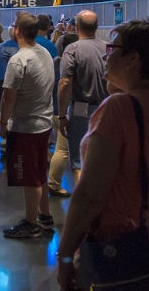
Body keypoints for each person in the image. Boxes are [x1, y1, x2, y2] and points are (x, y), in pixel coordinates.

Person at [55, 18, 149, 290]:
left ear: (133, 58)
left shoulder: (118, 109)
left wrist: (66, 254)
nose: (106, 56)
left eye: (112, 49)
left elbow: (90, 195)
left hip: (126, 250)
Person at [0, 12, 56, 239]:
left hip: (26, 127)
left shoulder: (18, 60)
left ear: (17, 32)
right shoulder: (44, 53)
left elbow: (8, 97)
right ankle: (45, 215)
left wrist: (3, 123)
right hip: (44, 122)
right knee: (39, 171)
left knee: (29, 178)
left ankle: (31, 223)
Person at [55, 11, 108, 193]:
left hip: (80, 110)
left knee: (79, 162)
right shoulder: (109, 48)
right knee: (102, 161)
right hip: (107, 109)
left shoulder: (73, 49)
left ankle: (82, 213)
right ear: (97, 27)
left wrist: (62, 115)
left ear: (76, 27)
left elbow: (64, 83)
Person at [47, 33, 79, 198]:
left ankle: (53, 183)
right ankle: (53, 184)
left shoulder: (53, 62)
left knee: (61, 149)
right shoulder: (71, 65)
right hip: (63, 112)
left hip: (51, 110)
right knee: (63, 151)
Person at [0, 23, 20, 150]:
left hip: (1, 81)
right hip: (16, 81)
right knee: (14, 111)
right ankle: (10, 139)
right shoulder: (22, 47)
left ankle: (5, 139)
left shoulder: (0, 47)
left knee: (3, 110)